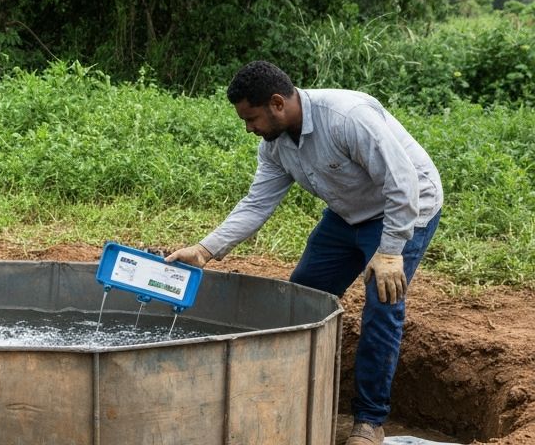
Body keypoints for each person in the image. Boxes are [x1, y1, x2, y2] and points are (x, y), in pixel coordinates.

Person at [167, 60, 442, 445]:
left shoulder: (347, 118)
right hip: (347, 215)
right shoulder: (275, 145)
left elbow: (403, 182)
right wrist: (204, 249)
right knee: (303, 295)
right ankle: (290, 392)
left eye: (252, 118)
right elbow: (256, 204)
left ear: (277, 103)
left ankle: (369, 421)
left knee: (382, 306)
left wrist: (392, 250)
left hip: (405, 209)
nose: (249, 128)